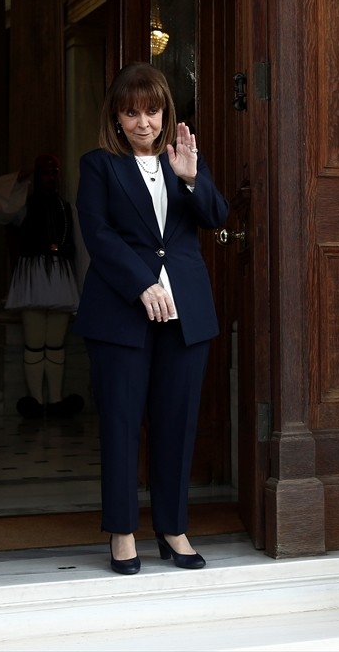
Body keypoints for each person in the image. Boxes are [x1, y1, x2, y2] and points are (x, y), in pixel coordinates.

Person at [73, 62, 228, 575]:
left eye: (153, 110)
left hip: (186, 314)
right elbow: (98, 234)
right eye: (132, 111)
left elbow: (217, 216)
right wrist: (142, 283)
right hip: (121, 313)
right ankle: (122, 531)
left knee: (177, 424)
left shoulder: (183, 161)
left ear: (166, 114)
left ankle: (172, 528)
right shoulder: (99, 165)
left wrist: (191, 179)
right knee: (120, 422)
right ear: (116, 117)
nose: (143, 121)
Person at [0, 153, 84, 418]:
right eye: (46, 172)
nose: (51, 177)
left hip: (60, 276)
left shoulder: (66, 208)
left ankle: (56, 400)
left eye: (55, 172)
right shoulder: (22, 206)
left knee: (55, 344)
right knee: (35, 343)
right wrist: (17, 180)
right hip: (34, 277)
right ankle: (37, 400)